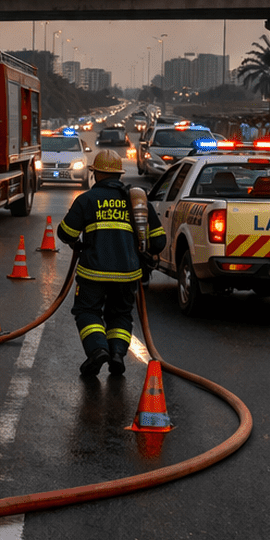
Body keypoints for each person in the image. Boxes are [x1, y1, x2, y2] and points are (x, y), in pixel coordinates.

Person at [58, 149, 164, 378]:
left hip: (93, 273)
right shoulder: (137, 201)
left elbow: (65, 233)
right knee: (121, 314)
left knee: (87, 311)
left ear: (95, 173)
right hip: (128, 274)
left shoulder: (86, 200)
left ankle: (97, 350)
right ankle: (117, 354)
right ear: (119, 175)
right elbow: (159, 241)